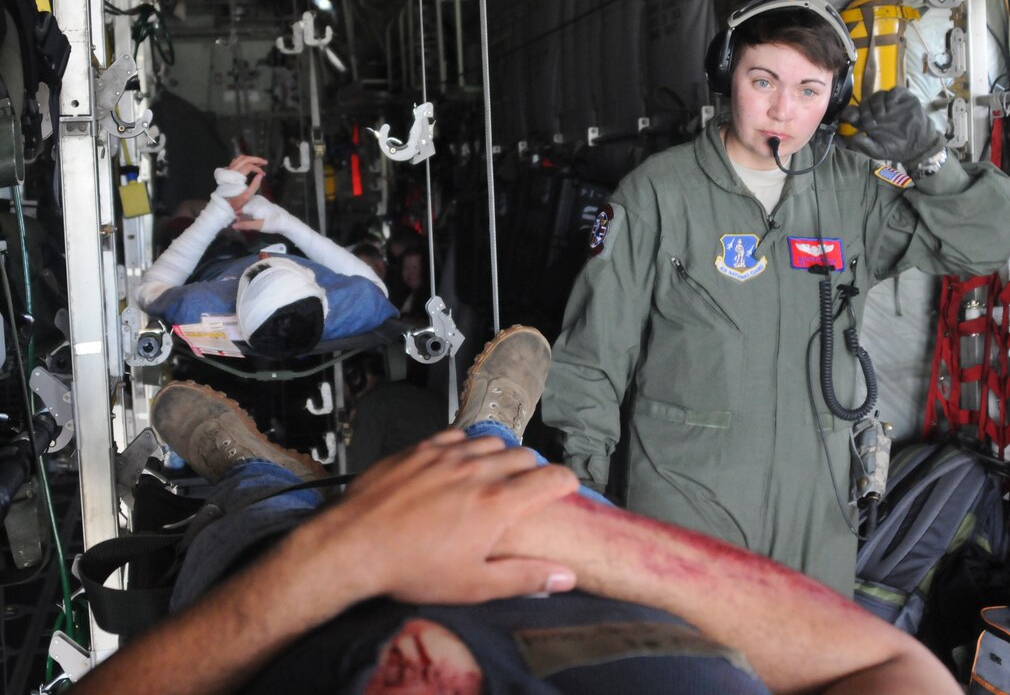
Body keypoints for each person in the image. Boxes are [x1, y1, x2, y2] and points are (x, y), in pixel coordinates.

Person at [70, 326, 959, 694]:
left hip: (291, 596)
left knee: (263, 513)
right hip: (569, 568)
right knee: (507, 472)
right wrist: (564, 527)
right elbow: (894, 664)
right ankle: (491, 440)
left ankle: (249, 469)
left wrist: (337, 556)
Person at [540, 0, 1010, 595]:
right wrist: (583, 493)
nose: (783, 110)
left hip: (816, 519)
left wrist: (931, 162)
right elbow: (592, 359)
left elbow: (993, 240)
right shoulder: (657, 193)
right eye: (763, 81)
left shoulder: (856, 190)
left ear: (833, 97)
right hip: (686, 506)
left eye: (809, 90)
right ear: (726, 75)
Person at [137, 155, 397, 357]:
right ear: (312, 280)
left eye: (257, 269)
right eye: (272, 263)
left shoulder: (201, 309)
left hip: (213, 261)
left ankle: (162, 221)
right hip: (247, 248)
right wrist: (285, 224)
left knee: (187, 210)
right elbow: (377, 288)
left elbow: (148, 290)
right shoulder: (350, 308)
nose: (262, 254)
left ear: (236, 306)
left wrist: (219, 209)